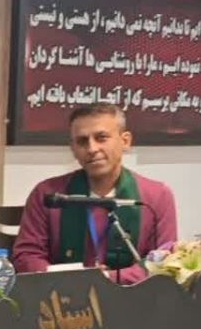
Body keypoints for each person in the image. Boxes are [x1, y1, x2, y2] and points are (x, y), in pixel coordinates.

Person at [12, 103, 178, 284]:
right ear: (73, 148)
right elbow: (26, 257)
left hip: (132, 297)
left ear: (125, 141)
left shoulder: (156, 197)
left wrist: (106, 279)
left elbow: (163, 261)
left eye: (101, 138)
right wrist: (72, 278)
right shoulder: (49, 195)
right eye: (82, 141)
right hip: (63, 295)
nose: (92, 149)